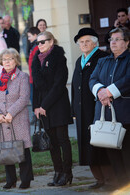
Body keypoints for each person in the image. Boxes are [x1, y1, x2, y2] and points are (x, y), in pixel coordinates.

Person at [72, 28, 116, 189]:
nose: (84, 44)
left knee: (101, 144)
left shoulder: (103, 58)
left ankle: (111, 180)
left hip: (98, 109)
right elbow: (74, 86)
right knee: (87, 145)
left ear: (95, 43)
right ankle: (99, 179)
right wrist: (73, 110)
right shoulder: (79, 60)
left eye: (87, 41)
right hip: (82, 111)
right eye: (81, 42)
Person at [89, 27, 130, 189]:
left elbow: (128, 80)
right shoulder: (103, 60)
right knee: (111, 151)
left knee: (127, 152)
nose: (113, 42)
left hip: (125, 113)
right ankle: (120, 184)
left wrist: (109, 92)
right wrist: (100, 91)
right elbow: (93, 79)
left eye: (117, 39)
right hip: (105, 114)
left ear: (127, 42)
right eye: (111, 39)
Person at [32, 31, 73, 186]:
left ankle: (67, 173)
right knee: (52, 142)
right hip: (43, 108)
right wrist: (36, 106)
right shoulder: (36, 60)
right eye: (38, 42)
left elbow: (59, 85)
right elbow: (34, 86)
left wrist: (44, 105)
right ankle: (58, 172)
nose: (40, 45)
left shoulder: (59, 58)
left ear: (51, 42)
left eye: (43, 42)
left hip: (58, 105)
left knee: (63, 140)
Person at [0, 48, 34, 189]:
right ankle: (11, 180)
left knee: (22, 148)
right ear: (1, 61)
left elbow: (24, 97)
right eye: (5, 59)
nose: (7, 62)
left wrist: (10, 113)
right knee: (6, 149)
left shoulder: (22, 77)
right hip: (1, 120)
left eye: (11, 59)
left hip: (17, 118)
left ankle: (26, 179)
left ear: (16, 61)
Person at [27, 27, 40, 124]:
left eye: (29, 36)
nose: (28, 38)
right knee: (33, 98)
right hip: (32, 78)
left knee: (35, 98)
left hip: (34, 79)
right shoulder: (33, 46)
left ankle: (37, 118)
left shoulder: (36, 47)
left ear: (35, 35)